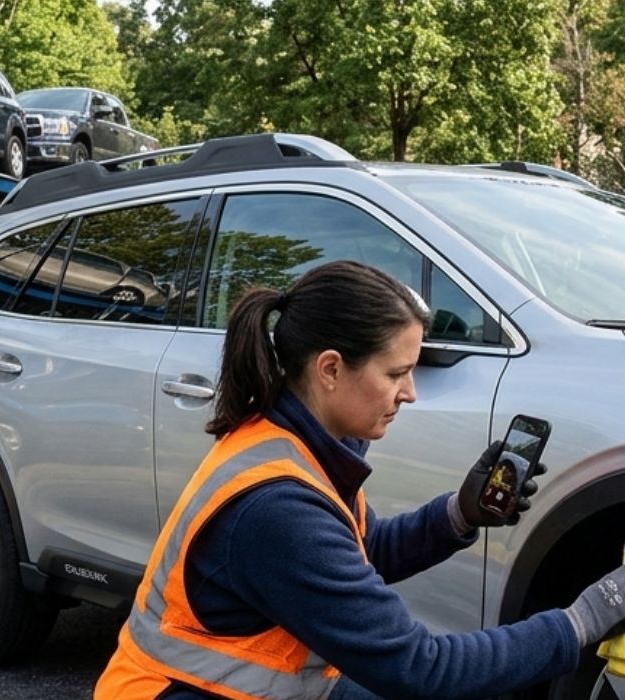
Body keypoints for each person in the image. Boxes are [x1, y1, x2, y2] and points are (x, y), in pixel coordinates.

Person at [95, 260, 625, 699]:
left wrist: (458, 515)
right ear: (330, 369)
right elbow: (421, 669)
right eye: (396, 373)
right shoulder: (278, 508)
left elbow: (356, 555)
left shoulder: (301, 442)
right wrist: (587, 617)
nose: (410, 392)